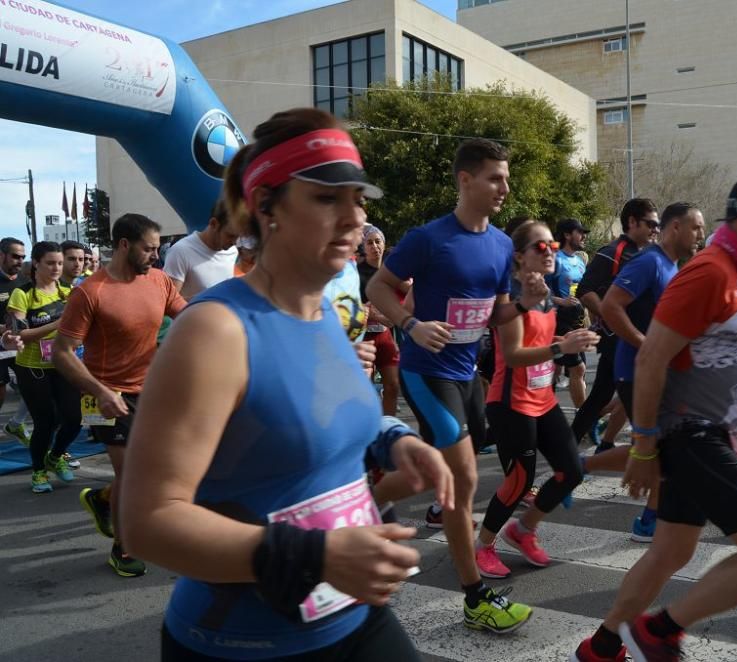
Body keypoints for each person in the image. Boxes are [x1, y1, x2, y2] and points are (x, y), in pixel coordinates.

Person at [117, 108, 452, 661]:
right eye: (326, 198)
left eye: (358, 198)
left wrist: (396, 440)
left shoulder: (322, 310)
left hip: (354, 615)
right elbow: (148, 523)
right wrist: (313, 556)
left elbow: (325, 410)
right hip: (244, 643)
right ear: (265, 208)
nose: (355, 219)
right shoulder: (215, 330)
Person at [572, 169, 737, 662]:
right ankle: (658, 632)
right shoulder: (709, 271)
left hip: (714, 432)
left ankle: (604, 645)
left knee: (671, 552)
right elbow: (653, 357)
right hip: (693, 435)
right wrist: (645, 445)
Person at [367, 138, 540, 632]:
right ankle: (475, 598)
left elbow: (495, 315)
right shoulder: (429, 238)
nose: (505, 187)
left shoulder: (503, 244)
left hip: (467, 376)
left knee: (436, 473)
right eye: (495, 178)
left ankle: (365, 494)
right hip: (428, 372)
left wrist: (526, 302)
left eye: (506, 178)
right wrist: (408, 322)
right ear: (466, 180)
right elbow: (377, 285)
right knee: (463, 482)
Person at [53, 214, 187, 577]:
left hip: (152, 389)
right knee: (132, 475)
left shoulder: (158, 281)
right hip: (105, 395)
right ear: (124, 245)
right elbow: (64, 351)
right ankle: (122, 548)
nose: (156, 257)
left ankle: (102, 498)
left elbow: (189, 317)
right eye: (149, 249)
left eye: (158, 249)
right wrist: (98, 390)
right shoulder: (91, 291)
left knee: (158, 471)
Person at [474, 221, 596, 578]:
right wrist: (562, 346)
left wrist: (573, 337)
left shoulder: (542, 292)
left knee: (571, 471)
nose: (551, 252)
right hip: (510, 401)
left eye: (553, 245)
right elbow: (512, 354)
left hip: (541, 397)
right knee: (519, 481)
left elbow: (539, 336)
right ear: (519, 256)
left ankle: (523, 529)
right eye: (541, 247)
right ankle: (483, 545)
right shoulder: (512, 295)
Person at [590, 202, 705, 543]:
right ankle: (649, 520)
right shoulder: (649, 263)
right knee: (660, 449)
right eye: (695, 228)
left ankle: (578, 467)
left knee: (659, 448)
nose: (701, 234)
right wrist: (645, 345)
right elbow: (611, 306)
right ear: (674, 229)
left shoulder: (672, 266)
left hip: (659, 370)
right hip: (636, 371)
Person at [572, 199, 658, 449]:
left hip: (639, 339)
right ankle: (575, 447)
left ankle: (597, 442)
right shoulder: (612, 252)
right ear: (632, 222)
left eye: (657, 225)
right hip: (617, 339)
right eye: (650, 223)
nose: (655, 229)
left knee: (609, 395)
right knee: (606, 395)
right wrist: (610, 315)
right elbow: (585, 289)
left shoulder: (648, 255)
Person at [7, 241, 79, 493]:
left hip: (63, 362)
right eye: (50, 263)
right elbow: (21, 334)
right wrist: (59, 323)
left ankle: (55, 456)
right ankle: (38, 471)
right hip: (32, 367)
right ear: (36, 263)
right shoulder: (22, 293)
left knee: (74, 419)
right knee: (45, 421)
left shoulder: (68, 292)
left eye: (60, 263)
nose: (57, 268)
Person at [358, 224, 401, 415]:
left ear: (384, 244)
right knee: (364, 389)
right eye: (369, 242)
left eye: (378, 241)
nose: (375, 246)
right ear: (363, 247)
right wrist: (374, 313)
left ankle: (388, 427)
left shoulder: (390, 273)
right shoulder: (356, 273)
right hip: (363, 336)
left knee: (393, 385)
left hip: (384, 335)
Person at [548, 218, 590, 407]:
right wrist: (560, 301)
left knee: (556, 370)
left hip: (577, 320)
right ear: (566, 235)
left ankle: (545, 408)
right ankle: (585, 420)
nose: (583, 236)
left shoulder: (580, 260)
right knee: (578, 368)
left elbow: (583, 290)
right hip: (558, 320)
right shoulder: (555, 259)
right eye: (579, 232)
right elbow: (538, 289)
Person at [163, 199, 240, 298]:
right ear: (214, 223)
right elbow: (169, 302)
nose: (235, 242)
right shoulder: (180, 251)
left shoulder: (233, 252)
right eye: (230, 235)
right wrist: (206, 302)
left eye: (239, 236)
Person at [0, 237, 29, 444]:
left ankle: (16, 423)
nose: (19, 261)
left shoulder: (24, 283)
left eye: (23, 257)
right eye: (15, 256)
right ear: (1, 255)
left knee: (33, 386)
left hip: (19, 345)